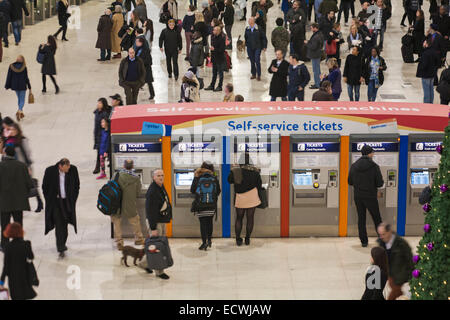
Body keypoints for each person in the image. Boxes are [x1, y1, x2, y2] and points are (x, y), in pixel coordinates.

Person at [42, 158, 80, 259]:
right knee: (59, 224)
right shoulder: (50, 171)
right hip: (56, 203)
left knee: (65, 223)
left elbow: (77, 185)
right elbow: (44, 187)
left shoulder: (73, 170)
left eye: (69, 166)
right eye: (66, 167)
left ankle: (63, 243)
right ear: (60, 166)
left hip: (67, 202)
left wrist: (73, 199)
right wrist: (49, 199)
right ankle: (61, 247)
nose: (68, 169)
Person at [348, 145, 383, 247]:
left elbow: (349, 181)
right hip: (371, 196)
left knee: (361, 218)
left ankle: (364, 241)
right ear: (369, 153)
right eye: (372, 153)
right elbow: (380, 183)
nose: (373, 154)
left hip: (358, 196)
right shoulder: (374, 166)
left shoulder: (354, 166)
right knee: (377, 218)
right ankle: (382, 240)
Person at [0, 146, 32, 251]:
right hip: (19, 202)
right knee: (18, 222)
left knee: (4, 223)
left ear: (5, 153)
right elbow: (29, 184)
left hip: (4, 202)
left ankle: (4, 245)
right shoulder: (22, 166)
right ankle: (19, 242)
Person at [228, 153, 262, 246]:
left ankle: (238, 239)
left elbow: (229, 180)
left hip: (240, 196)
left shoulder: (236, 171)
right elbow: (259, 185)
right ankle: (247, 238)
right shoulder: (255, 171)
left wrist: (233, 170)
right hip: (252, 196)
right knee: (250, 218)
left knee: (239, 218)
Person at [111, 160, 145, 250]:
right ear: (132, 166)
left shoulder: (116, 175)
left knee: (117, 222)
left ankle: (119, 242)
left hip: (116, 203)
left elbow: (110, 186)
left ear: (123, 166)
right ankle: (138, 239)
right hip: (130, 203)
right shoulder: (136, 178)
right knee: (135, 220)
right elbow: (138, 192)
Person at [145, 169, 172, 279]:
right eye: (158, 176)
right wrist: (153, 228)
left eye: (162, 175)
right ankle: (159, 272)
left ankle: (144, 264)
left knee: (156, 245)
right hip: (155, 222)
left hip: (161, 220)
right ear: (153, 177)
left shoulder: (160, 187)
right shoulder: (152, 191)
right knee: (157, 246)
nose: (161, 177)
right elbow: (150, 211)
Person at [377, 223, 414, 300]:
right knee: (397, 291)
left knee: (395, 291)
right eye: (380, 235)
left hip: (400, 274)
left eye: (383, 234)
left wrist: (411, 273)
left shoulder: (401, 243)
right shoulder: (381, 242)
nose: (381, 237)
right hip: (390, 273)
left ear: (389, 232)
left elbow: (409, 258)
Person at [0, 223, 36, 300]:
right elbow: (31, 257)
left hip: (13, 279)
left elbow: (6, 266)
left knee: (16, 296)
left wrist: (1, 282)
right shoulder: (27, 244)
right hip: (25, 276)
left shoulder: (8, 246)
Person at [190, 161, 221, 250]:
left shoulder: (198, 176)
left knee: (203, 224)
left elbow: (192, 190)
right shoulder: (214, 177)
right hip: (211, 205)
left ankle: (204, 243)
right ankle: (209, 240)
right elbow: (218, 191)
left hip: (200, 205)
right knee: (209, 222)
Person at [4, 55, 31, 121]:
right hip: (22, 85)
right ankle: (19, 111)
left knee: (19, 99)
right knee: (22, 100)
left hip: (15, 86)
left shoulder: (11, 66)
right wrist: (29, 86)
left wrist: (7, 85)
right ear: (22, 60)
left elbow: (9, 76)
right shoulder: (24, 67)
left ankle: (21, 112)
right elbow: (26, 78)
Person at [416, 38, 440, 104]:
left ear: (427, 44)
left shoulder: (426, 53)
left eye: (424, 42)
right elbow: (438, 63)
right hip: (432, 74)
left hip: (425, 74)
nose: (423, 43)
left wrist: (420, 71)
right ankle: (430, 103)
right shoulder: (434, 52)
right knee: (431, 89)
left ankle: (426, 104)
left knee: (426, 90)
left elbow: (424, 64)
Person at [93, 98, 112, 175]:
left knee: (101, 152)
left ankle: (98, 168)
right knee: (99, 152)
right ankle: (100, 168)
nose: (98, 104)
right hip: (97, 133)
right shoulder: (97, 112)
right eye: (98, 103)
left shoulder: (104, 114)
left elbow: (105, 124)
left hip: (102, 134)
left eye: (100, 103)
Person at [245, 17, 267, 81]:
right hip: (250, 47)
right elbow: (245, 37)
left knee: (257, 60)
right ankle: (253, 74)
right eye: (249, 20)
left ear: (253, 21)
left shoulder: (259, 28)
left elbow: (263, 37)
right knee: (252, 61)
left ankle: (259, 75)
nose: (249, 21)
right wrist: (247, 44)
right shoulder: (247, 29)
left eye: (250, 20)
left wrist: (264, 46)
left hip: (258, 47)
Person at [205, 25, 226, 91]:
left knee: (220, 73)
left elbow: (222, 49)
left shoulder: (222, 38)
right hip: (214, 58)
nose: (213, 31)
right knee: (214, 73)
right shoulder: (213, 37)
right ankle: (212, 85)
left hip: (220, 58)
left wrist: (214, 49)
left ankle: (220, 86)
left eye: (214, 30)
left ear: (218, 31)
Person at [305, 23, 323, 89]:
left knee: (316, 70)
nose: (311, 29)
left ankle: (317, 84)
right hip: (317, 54)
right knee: (317, 70)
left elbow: (313, 46)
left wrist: (307, 43)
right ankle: (318, 82)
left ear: (315, 28)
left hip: (315, 55)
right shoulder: (319, 34)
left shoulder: (316, 36)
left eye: (312, 28)